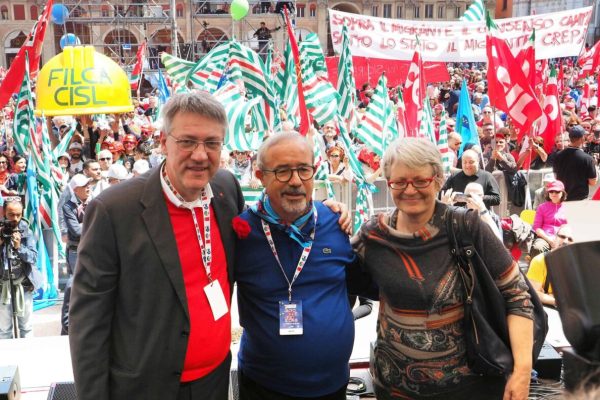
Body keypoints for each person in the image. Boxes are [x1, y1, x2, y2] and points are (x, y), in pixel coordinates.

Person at [69, 91, 246, 400]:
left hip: (214, 381)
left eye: (212, 143)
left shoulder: (226, 188)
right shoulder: (114, 210)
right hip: (146, 388)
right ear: (164, 142)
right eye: (188, 141)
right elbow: (88, 322)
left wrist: (326, 214)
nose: (201, 155)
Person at [349, 137, 534, 399]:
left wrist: (523, 372)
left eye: (420, 180)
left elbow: (517, 296)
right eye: (399, 182)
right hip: (393, 389)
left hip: (468, 389)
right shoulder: (373, 234)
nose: (409, 190)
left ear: (437, 179)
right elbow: (338, 273)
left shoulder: (467, 227)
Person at [234, 133, 355, 399]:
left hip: (333, 386)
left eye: (303, 169)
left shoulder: (337, 223)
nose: (296, 181)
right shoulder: (241, 232)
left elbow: (355, 282)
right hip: (264, 387)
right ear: (260, 175)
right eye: (283, 171)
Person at [0, 197, 40, 339]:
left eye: (18, 214)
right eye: (11, 214)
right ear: (3, 213)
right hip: (2, 286)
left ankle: (27, 358)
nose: (15, 218)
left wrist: (19, 247)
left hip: (23, 285)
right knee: (4, 329)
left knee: (26, 327)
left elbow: (34, 258)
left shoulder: (27, 231)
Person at [527, 225, 574, 307]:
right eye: (562, 237)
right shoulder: (540, 261)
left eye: (570, 239)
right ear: (554, 238)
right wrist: (555, 300)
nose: (565, 241)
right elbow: (533, 292)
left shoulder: (577, 265)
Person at [553, 125, 598, 200]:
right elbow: (592, 182)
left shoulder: (558, 155)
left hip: (562, 198)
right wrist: (596, 169)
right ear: (582, 138)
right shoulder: (587, 159)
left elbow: (555, 176)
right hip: (580, 200)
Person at [530, 180, 568, 259]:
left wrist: (559, 241)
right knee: (537, 248)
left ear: (562, 193)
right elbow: (537, 228)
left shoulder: (569, 208)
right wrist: (550, 240)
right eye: (551, 191)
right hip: (545, 238)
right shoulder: (542, 207)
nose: (554, 194)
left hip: (563, 239)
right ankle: (540, 270)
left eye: (557, 191)